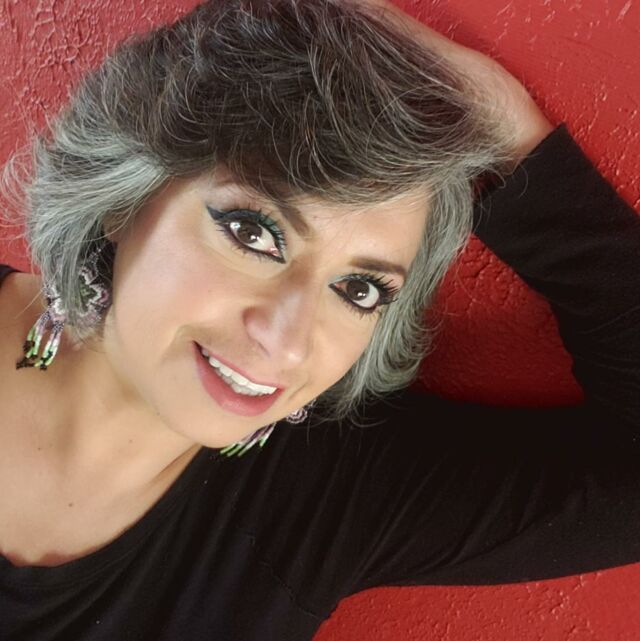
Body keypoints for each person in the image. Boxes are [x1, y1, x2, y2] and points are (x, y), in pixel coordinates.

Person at [0, 1, 638, 639]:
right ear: (124, 200)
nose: (286, 342)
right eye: (252, 234)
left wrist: (512, 136)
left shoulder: (324, 496)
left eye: (358, 290)